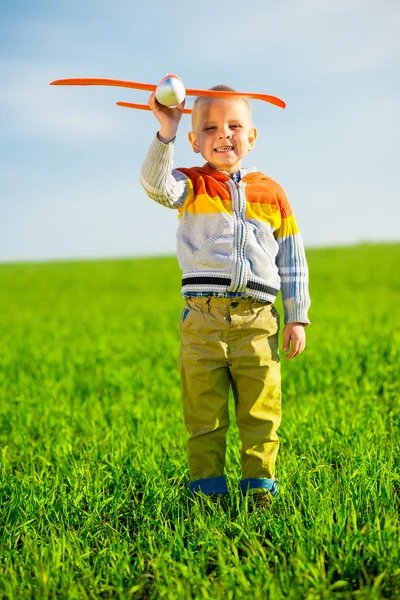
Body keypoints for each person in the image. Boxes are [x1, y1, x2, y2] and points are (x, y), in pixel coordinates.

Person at [140, 85, 311, 509]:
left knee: (261, 413)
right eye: (210, 127)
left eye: (235, 125)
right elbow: (155, 186)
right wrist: (167, 131)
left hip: (258, 321)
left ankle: (259, 494)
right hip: (203, 321)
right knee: (204, 416)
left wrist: (297, 315)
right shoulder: (190, 185)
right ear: (195, 140)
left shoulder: (272, 193)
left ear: (252, 137)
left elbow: (292, 256)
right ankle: (207, 496)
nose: (224, 134)